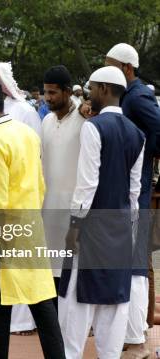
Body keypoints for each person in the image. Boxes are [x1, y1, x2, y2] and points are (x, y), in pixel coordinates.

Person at [0, 78, 65, 359]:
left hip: (5, 240)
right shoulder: (26, 133)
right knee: (44, 307)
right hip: (31, 231)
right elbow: (41, 184)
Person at [58, 67, 144, 359]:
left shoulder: (92, 128)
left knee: (75, 309)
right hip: (120, 229)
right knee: (114, 306)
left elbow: (86, 186)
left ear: (105, 89)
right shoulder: (138, 134)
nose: (89, 93)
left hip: (90, 227)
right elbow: (134, 192)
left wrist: (74, 228)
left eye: (92, 87)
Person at [106, 43, 160, 359]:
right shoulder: (127, 96)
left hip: (134, 190)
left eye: (113, 67)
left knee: (136, 264)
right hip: (127, 187)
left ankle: (138, 339)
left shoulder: (138, 97)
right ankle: (130, 333)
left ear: (127, 69)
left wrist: (144, 153)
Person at [41, 65, 86, 309]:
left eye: (53, 93)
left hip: (74, 209)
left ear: (68, 92)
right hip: (48, 207)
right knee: (50, 267)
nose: (48, 98)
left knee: (73, 267)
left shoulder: (84, 119)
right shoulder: (46, 121)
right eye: (46, 92)